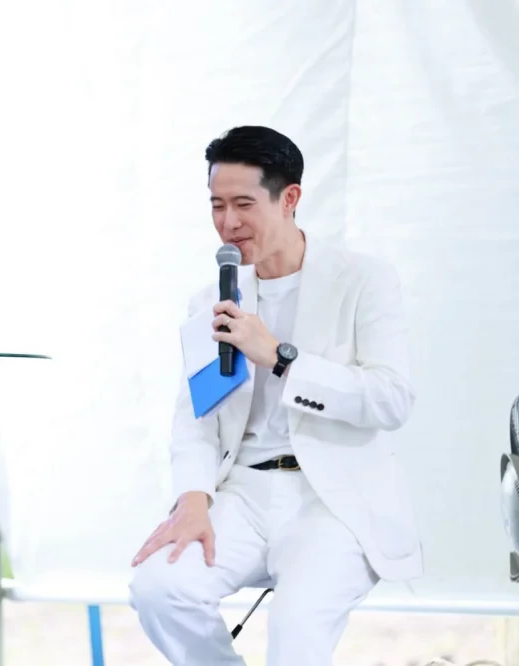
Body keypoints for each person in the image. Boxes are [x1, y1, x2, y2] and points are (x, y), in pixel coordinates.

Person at [128, 125, 421, 665]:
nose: (228, 223)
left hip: (331, 497)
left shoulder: (363, 280)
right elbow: (196, 419)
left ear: (289, 198)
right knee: (158, 589)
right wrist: (193, 500)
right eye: (217, 205)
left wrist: (281, 358)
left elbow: (391, 399)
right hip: (242, 493)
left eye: (243, 204)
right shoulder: (213, 299)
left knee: (295, 628)